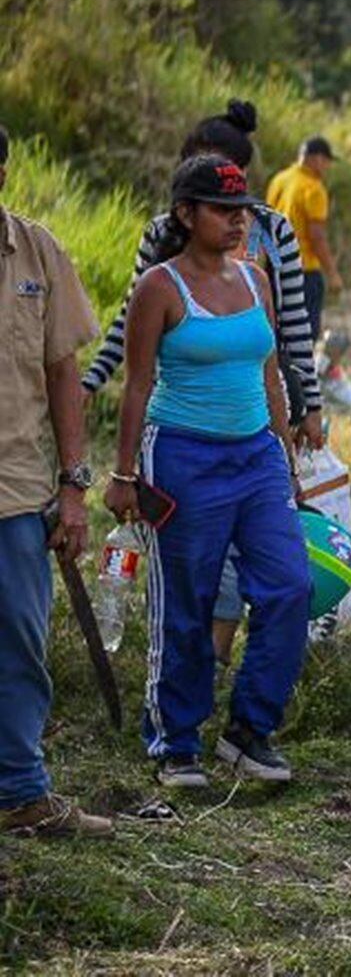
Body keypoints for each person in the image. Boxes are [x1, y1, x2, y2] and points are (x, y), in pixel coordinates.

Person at [83, 101, 323, 672]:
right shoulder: (161, 243)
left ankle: (233, 682)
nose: (225, 207)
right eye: (199, 180)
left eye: (228, 189)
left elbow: (292, 330)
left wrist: (303, 407)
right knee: (197, 567)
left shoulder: (272, 235)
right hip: (188, 430)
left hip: (262, 410)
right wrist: (94, 380)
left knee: (273, 562)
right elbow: (131, 328)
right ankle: (199, 673)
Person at [107, 154, 313, 788]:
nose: (237, 221)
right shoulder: (160, 287)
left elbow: (270, 373)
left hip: (256, 457)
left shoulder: (257, 278)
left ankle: (250, 731)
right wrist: (122, 476)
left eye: (242, 211)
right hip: (184, 456)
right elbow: (137, 386)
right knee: (189, 600)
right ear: (186, 214)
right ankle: (175, 741)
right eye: (223, 211)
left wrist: (286, 454)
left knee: (289, 587)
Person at [0, 124, 112, 836]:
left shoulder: (36, 252)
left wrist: (75, 487)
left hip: (15, 489)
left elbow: (63, 372)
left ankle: (20, 792)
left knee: (18, 642)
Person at [266, 136, 340, 340]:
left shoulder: (279, 179)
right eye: (327, 161)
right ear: (316, 159)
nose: (327, 167)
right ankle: (297, 373)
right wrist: (332, 273)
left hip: (275, 267)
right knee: (303, 335)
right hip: (303, 269)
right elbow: (317, 236)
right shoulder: (313, 188)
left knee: (276, 330)